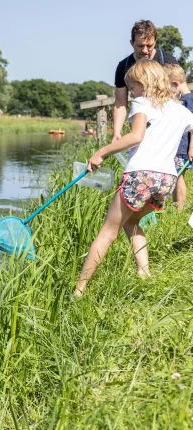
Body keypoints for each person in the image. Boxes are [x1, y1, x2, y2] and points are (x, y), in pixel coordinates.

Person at [75, 60, 193, 297]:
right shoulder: (181, 110)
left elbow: (136, 136)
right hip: (166, 181)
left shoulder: (142, 103)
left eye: (132, 88)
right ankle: (144, 272)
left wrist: (101, 152)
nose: (130, 95)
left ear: (144, 84)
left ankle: (79, 290)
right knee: (131, 222)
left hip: (141, 175)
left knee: (108, 232)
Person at [112, 20, 179, 143]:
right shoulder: (123, 66)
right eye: (140, 45)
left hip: (166, 124)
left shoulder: (168, 61)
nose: (145, 50)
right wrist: (117, 132)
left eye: (149, 45)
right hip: (140, 123)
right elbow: (121, 103)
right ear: (131, 43)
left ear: (155, 42)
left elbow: (177, 95)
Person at [164, 64, 193, 210]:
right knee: (176, 175)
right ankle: (176, 206)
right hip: (179, 146)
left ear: (175, 85)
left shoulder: (189, 101)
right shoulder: (183, 101)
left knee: (179, 176)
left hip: (184, 147)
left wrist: (191, 149)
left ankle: (179, 208)